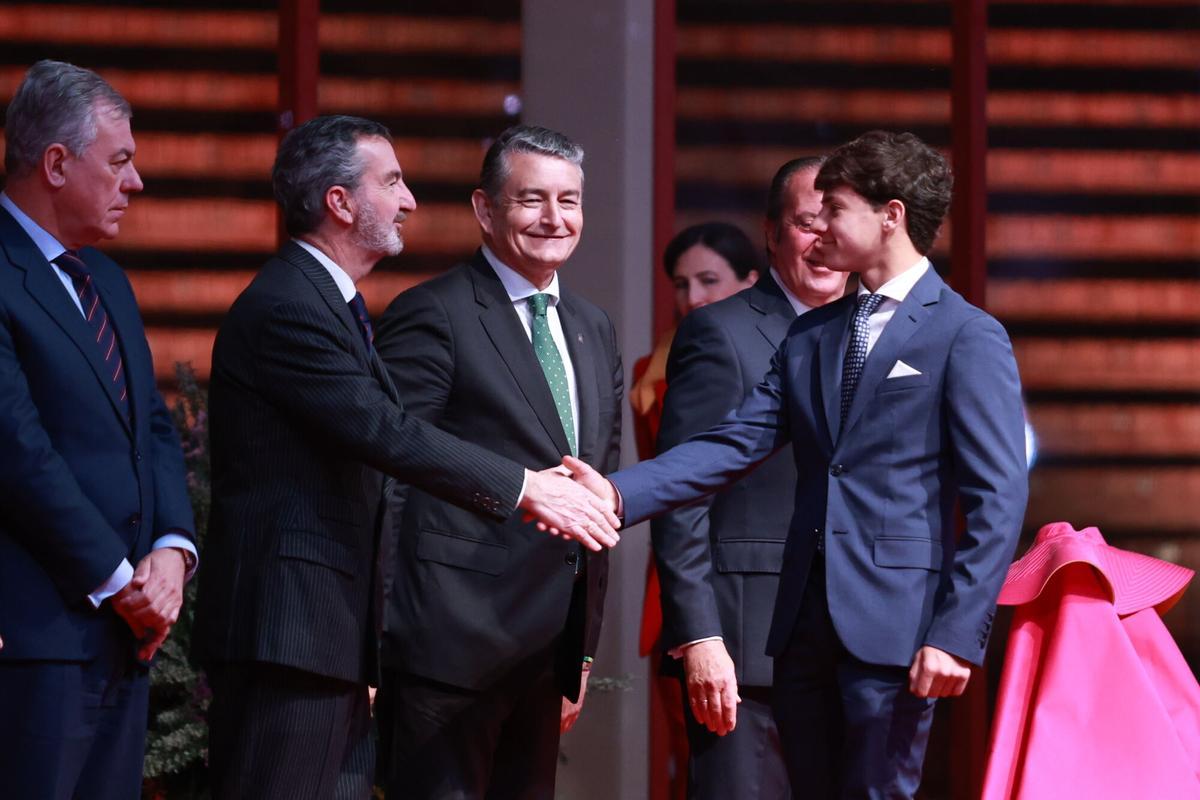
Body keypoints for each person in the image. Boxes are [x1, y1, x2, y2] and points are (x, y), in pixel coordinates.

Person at [569, 131, 1029, 798]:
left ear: (890, 216)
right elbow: (730, 444)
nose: (818, 231)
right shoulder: (813, 334)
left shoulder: (966, 334)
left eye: (834, 210)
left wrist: (958, 633)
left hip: (896, 632)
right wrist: (614, 492)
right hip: (800, 633)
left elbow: (999, 498)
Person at [193, 116, 619, 799]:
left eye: (569, 199)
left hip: (360, 632)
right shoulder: (293, 305)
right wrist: (522, 488)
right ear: (340, 202)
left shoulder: (332, 302)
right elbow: (389, 437)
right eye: (391, 181)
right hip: (305, 626)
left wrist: (580, 644)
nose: (410, 199)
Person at [371, 125, 623, 800]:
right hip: (446, 646)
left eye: (569, 200)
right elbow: (389, 473)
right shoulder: (433, 313)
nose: (554, 219)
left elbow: (597, 488)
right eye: (532, 199)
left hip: (545, 651)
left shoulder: (593, 326)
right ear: (486, 209)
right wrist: (376, 639)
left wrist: (582, 648)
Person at [0, 60, 197, 799]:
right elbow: (17, 452)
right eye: (119, 162)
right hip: (35, 642)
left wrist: (173, 553)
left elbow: (153, 426)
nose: (135, 182)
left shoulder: (105, 279)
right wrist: (120, 582)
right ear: (56, 163)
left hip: (125, 639)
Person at [654, 158, 849, 800]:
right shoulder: (720, 331)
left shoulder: (884, 332)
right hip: (748, 653)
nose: (822, 239)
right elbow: (681, 495)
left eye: (837, 221)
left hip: (862, 654)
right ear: (771, 233)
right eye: (805, 222)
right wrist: (699, 635)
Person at [630, 221, 761, 800]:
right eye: (681, 285)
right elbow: (665, 483)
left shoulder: (787, 351)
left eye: (709, 280)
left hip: (759, 567)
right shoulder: (648, 371)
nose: (693, 298)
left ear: (751, 281)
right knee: (694, 758)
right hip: (683, 567)